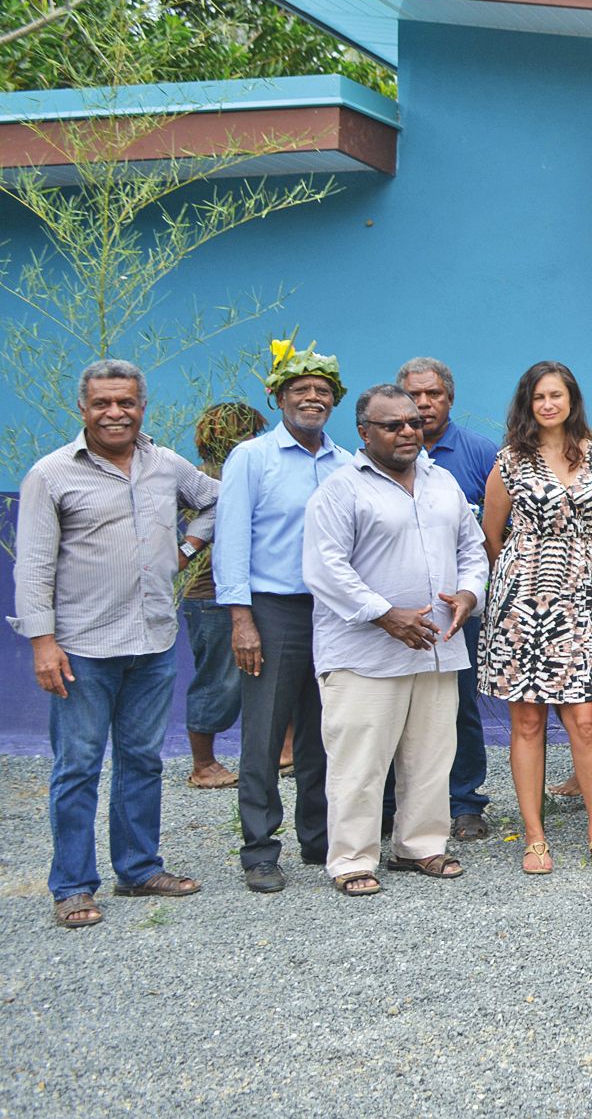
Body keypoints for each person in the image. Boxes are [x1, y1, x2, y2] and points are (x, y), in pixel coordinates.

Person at [11, 360, 217, 928]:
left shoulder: (164, 463)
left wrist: (183, 551)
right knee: (77, 766)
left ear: (141, 406)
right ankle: (73, 886)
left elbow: (216, 501)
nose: (115, 412)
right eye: (102, 403)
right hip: (80, 647)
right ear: (83, 409)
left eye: (125, 402)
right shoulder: (52, 475)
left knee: (142, 760)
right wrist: (42, 643)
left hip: (151, 640)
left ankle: (139, 869)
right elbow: (32, 568)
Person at [303, 384, 486, 896]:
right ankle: (352, 859)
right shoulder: (341, 490)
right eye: (393, 425)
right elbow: (325, 569)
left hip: (436, 649)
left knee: (431, 757)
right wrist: (385, 615)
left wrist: (470, 596)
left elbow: (472, 548)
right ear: (364, 433)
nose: (408, 431)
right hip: (364, 654)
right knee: (359, 764)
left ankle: (420, 846)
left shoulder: (442, 481)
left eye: (414, 422)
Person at [216, 337, 354, 894]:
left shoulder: (346, 463)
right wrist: (240, 618)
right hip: (273, 611)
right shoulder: (251, 458)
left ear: (335, 401)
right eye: (301, 389)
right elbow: (230, 540)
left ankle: (318, 839)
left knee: (326, 731)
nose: (313, 398)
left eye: (323, 390)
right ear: (278, 398)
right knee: (267, 732)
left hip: (334, 613)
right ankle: (259, 848)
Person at [479, 361, 592, 874]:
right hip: (520, 600)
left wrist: (590, 571)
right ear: (527, 403)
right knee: (527, 717)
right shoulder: (510, 461)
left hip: (579, 598)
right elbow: (491, 535)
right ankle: (535, 838)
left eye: (556, 395)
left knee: (585, 719)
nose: (547, 404)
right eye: (538, 396)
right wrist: (524, 578)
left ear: (571, 399)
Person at [394, 356, 500, 841]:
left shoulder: (480, 454)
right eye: (413, 395)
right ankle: (394, 805)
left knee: (458, 706)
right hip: (390, 612)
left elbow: (499, 533)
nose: (422, 404)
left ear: (449, 399)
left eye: (432, 394)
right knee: (391, 707)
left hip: (461, 608)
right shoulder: (381, 453)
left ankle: (464, 802)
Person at [180, 401, 267, 789]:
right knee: (218, 678)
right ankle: (203, 764)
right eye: (248, 432)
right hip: (210, 595)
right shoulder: (206, 481)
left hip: (250, 591)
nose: (255, 439)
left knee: (266, 671)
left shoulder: (248, 471)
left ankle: (283, 748)